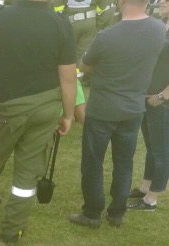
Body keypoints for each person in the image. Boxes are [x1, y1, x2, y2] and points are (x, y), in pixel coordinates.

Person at [0, 0, 77, 243]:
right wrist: (68, 115)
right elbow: (68, 79)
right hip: (45, 109)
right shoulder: (60, 23)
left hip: (7, 110)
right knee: (27, 176)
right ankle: (12, 230)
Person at [69, 0, 164, 229]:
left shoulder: (107, 36)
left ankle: (92, 213)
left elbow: (84, 66)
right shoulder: (159, 28)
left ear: (121, 2)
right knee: (124, 163)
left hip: (102, 109)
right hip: (133, 108)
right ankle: (117, 213)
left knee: (93, 162)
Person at [128, 0, 169, 212]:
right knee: (152, 147)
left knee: (162, 151)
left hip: (162, 101)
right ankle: (145, 187)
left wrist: (162, 96)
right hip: (149, 96)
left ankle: (151, 200)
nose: (162, 1)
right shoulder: (162, 26)